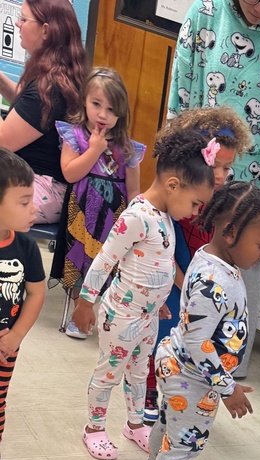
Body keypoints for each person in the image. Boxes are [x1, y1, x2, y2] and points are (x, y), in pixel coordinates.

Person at [167, 0, 260, 380]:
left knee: (237, 298)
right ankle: (173, 364)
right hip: (197, 178)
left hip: (252, 194)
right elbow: (180, 100)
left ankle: (226, 378)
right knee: (183, 284)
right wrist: (182, 175)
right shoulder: (204, 15)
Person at [72, 126, 216, 460]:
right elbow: (105, 260)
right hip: (121, 315)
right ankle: (93, 428)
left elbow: (155, 265)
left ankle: (135, 424)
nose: (195, 212)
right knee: (109, 372)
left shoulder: (165, 216)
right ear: (172, 185)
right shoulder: (137, 216)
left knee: (139, 373)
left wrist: (159, 303)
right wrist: (85, 302)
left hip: (148, 316)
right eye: (195, 203)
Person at [145, 179, 260, 460]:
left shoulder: (210, 256)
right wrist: (226, 386)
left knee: (167, 424)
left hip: (181, 370)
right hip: (191, 377)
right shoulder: (212, 280)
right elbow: (197, 341)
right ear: (230, 231)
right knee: (183, 443)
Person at [143, 105, 251, 425]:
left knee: (190, 339)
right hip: (171, 277)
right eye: (215, 164)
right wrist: (187, 282)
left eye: (227, 168)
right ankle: (149, 388)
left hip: (196, 281)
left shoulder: (221, 197)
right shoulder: (173, 195)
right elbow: (163, 253)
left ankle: (176, 393)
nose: (220, 175)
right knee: (159, 337)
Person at [53, 67, 145, 340]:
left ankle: (101, 312)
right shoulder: (75, 136)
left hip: (112, 217)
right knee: (80, 258)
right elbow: (70, 173)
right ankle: (76, 313)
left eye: (111, 109)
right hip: (81, 212)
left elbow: (134, 190)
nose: (103, 115)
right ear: (84, 101)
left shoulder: (128, 147)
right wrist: (94, 149)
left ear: (121, 114)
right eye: (96, 104)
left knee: (107, 262)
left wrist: (134, 222)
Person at [0, 0, 86, 224]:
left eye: (24, 19)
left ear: (45, 30)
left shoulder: (48, 87)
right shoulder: (56, 74)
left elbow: (3, 142)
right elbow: (24, 106)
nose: (17, 24)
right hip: (34, 180)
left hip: (41, 187)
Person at [0, 149, 45, 460]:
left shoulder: (26, 246)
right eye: (24, 201)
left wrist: (16, 335)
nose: (35, 208)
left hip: (6, 347)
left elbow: (36, 293)